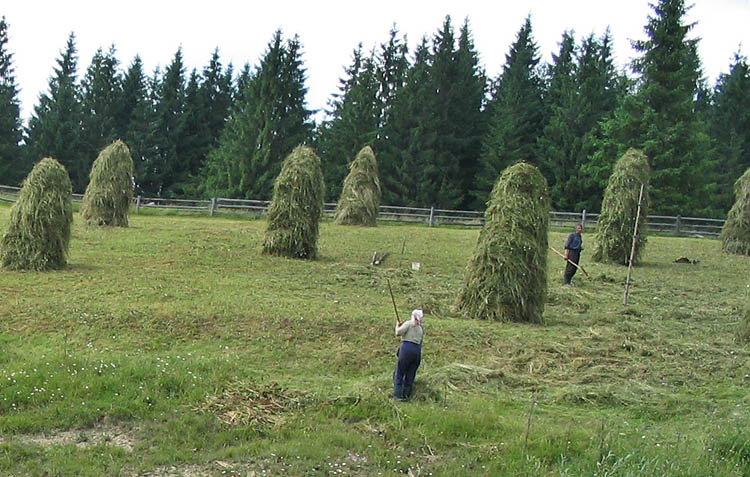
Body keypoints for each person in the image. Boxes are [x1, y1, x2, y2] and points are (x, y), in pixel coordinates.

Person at [393, 308, 424, 401]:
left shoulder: (409, 323)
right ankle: (406, 396)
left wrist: (397, 325)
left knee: (400, 372)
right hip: (417, 351)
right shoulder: (421, 328)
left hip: (407, 349)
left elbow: (398, 333)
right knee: (411, 373)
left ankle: (398, 396)